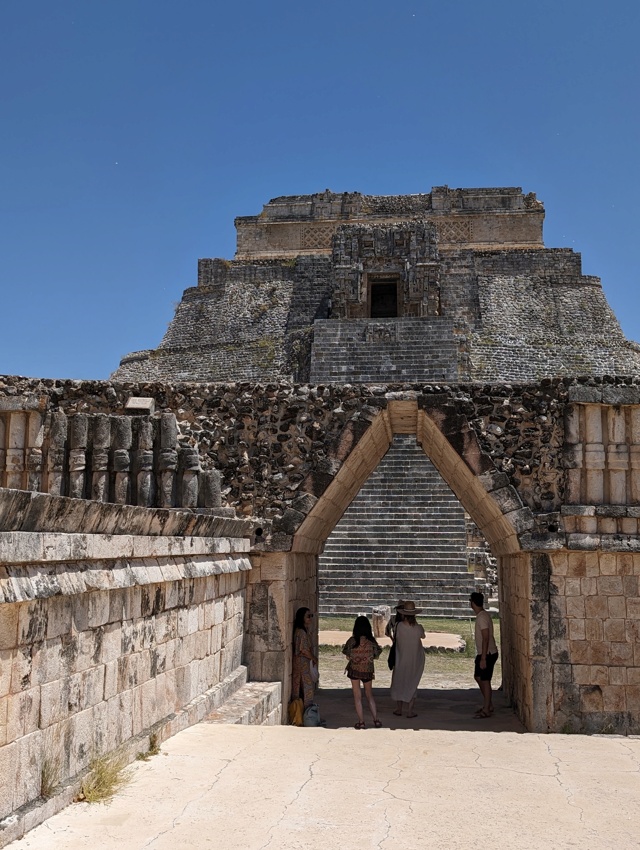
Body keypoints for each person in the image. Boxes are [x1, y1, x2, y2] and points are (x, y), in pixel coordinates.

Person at [342, 615, 383, 729]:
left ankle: (361, 721)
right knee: (369, 695)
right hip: (368, 671)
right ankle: (376, 720)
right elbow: (376, 654)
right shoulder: (371, 642)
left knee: (357, 696)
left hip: (354, 670)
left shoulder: (352, 641)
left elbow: (347, 654)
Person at [390, 601, 425, 718]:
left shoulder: (398, 626)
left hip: (401, 659)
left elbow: (395, 637)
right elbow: (422, 636)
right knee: (412, 682)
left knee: (399, 681)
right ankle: (410, 711)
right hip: (414, 660)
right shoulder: (418, 628)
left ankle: (399, 708)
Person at [470, 591, 499, 718]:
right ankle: (488, 704)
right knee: (478, 677)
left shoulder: (482, 617)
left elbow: (486, 638)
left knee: (485, 680)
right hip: (485, 652)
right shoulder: (483, 615)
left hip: (486, 653)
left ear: (472, 603)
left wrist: (483, 658)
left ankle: (487, 709)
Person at [292, 607, 318, 708]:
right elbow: (304, 650)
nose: (310, 618)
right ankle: (308, 713)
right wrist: (314, 658)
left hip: (302, 663)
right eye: (308, 616)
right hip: (302, 664)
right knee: (307, 689)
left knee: (301, 688)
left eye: (311, 616)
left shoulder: (303, 631)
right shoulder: (301, 632)